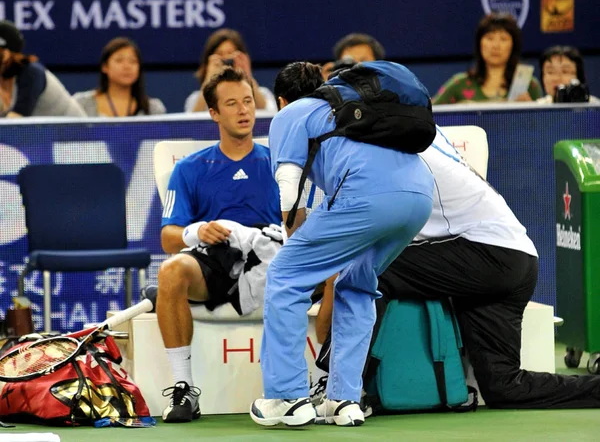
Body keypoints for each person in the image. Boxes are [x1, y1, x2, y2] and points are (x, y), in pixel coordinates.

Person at [315, 125, 600, 410]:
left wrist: (329, 304)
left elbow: (355, 255)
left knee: (374, 270)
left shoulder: (380, 159)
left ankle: (339, 389)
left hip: (487, 254)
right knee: (504, 386)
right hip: (518, 257)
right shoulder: (424, 135)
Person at [250, 61, 434, 427]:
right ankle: (344, 399)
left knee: (287, 274)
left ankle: (287, 397)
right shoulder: (344, 114)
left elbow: (289, 188)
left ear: (281, 100)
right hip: (418, 196)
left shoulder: (291, 114)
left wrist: (296, 252)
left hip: (366, 195)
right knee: (357, 285)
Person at [157, 67, 281, 423]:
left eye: (248, 102)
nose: (244, 111)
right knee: (171, 271)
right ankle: (184, 389)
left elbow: (300, 224)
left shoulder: (279, 162)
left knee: (343, 267)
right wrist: (197, 232)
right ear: (214, 113)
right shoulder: (190, 168)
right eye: (232, 104)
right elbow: (168, 238)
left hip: (272, 260)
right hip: (216, 262)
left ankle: (331, 385)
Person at [432, 13, 543, 104]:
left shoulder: (529, 85)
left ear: (513, 46)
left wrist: (530, 111)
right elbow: (427, 115)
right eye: (490, 38)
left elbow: (545, 126)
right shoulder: (459, 84)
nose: (496, 45)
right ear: (479, 43)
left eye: (503, 39)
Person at [0, 20, 86, 118]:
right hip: (46, 132)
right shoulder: (4, 79)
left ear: (5, 54)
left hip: (76, 131)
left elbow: (15, 122)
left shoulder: (31, 73)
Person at [184, 28, 277, 113]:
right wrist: (208, 80)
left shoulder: (263, 93)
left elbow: (267, 115)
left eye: (230, 53)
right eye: (219, 54)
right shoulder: (195, 98)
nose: (225, 59)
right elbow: (192, 122)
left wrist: (247, 76)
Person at [73, 37, 166, 116]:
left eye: (133, 61)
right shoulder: (82, 103)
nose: (127, 67)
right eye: (119, 60)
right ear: (105, 67)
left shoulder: (153, 109)